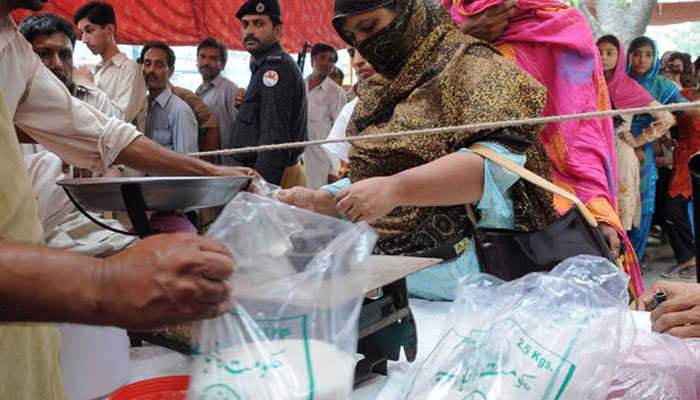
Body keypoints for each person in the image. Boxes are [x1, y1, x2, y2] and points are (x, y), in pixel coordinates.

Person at [0, 1, 257, 396]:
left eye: (63, 53)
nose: (56, 62)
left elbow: (103, 132)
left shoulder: (11, 47)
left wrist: (211, 171)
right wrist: (106, 284)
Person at [280, 0, 557, 301]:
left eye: (369, 27)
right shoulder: (378, 90)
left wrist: (397, 189)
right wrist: (324, 200)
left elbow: (498, 162)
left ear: (407, 9)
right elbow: (377, 175)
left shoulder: (472, 65)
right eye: (353, 38)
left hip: (473, 291)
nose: (365, 44)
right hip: (392, 284)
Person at [440, 0, 643, 297]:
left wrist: (598, 210)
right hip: (450, 211)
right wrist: (461, 36)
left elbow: (581, 134)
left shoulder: (563, 27)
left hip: (550, 214)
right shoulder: (434, 24)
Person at [625, 36, 700, 270]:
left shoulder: (662, 86)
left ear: (655, 58)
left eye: (648, 54)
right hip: (616, 147)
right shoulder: (619, 82)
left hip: (646, 153)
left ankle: (633, 263)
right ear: (628, 56)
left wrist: (641, 142)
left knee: (644, 206)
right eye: (636, 53)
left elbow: (688, 110)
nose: (642, 60)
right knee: (620, 205)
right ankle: (618, 259)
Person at [596, 35, 674, 233]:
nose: (603, 57)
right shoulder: (588, 85)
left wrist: (638, 139)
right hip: (593, 153)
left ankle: (625, 262)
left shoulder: (629, 87)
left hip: (621, 154)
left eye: (610, 53)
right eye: (599, 52)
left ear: (620, 56)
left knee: (620, 218)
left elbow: (667, 118)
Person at [231, 0, 308, 188]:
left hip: (274, 176)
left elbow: (274, 141)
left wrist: (261, 188)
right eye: (245, 24)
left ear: (278, 31)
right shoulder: (263, 65)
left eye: (259, 24)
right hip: (267, 172)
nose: (249, 31)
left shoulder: (275, 69)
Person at [18, 12, 118, 117]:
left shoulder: (94, 101)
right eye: (44, 54)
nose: (57, 64)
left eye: (65, 55)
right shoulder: (12, 98)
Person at [74, 1, 147, 130]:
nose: (84, 39)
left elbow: (120, 120)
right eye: (81, 33)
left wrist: (90, 86)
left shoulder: (130, 69)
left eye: (89, 30)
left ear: (109, 30)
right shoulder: (98, 69)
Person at [664, 85, 700, 279]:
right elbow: (663, 115)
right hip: (683, 159)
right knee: (673, 208)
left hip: (695, 159)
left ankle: (690, 256)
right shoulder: (683, 95)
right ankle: (688, 256)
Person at [323, 46, 375, 178]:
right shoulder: (351, 110)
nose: (357, 61)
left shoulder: (428, 95)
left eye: (365, 49)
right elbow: (349, 174)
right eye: (352, 53)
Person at [140, 41, 198, 154]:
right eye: (147, 64)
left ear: (170, 71)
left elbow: (188, 163)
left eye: (159, 65)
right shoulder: (141, 107)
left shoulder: (180, 111)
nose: (151, 70)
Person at [303, 42, 347, 189]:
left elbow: (341, 133)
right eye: (322, 58)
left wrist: (334, 170)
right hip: (297, 158)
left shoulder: (336, 93)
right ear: (312, 60)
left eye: (331, 60)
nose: (326, 63)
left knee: (315, 205)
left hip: (321, 161)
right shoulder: (299, 85)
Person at [195, 37, 240, 165]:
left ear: (223, 64)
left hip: (227, 163)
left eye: (213, 59)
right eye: (202, 57)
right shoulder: (197, 92)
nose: (206, 62)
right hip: (207, 162)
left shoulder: (229, 89)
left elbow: (239, 129)